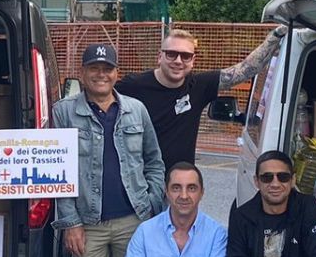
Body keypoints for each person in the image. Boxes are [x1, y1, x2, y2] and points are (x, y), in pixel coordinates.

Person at [52, 42, 166, 257]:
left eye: (107, 69)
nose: (100, 74)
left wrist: (153, 204)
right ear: (82, 72)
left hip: (134, 219)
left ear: (117, 73)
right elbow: (57, 172)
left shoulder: (135, 110)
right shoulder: (63, 112)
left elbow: (154, 161)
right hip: (87, 224)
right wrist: (70, 223)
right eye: (94, 68)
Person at [118, 26, 284, 171]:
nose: (178, 61)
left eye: (185, 56)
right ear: (159, 57)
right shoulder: (134, 85)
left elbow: (245, 70)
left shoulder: (199, 86)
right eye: (171, 54)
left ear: (192, 61)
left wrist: (275, 36)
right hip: (142, 183)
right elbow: (98, 98)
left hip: (181, 185)